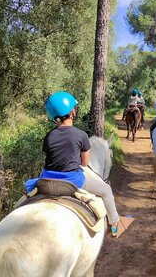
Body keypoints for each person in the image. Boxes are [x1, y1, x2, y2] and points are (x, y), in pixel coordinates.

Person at [25, 92, 120, 236]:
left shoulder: (49, 136)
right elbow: (85, 163)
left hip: (46, 180)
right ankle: (114, 223)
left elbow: (52, 157)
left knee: (23, 201)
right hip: (73, 181)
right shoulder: (81, 135)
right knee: (106, 190)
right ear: (72, 112)